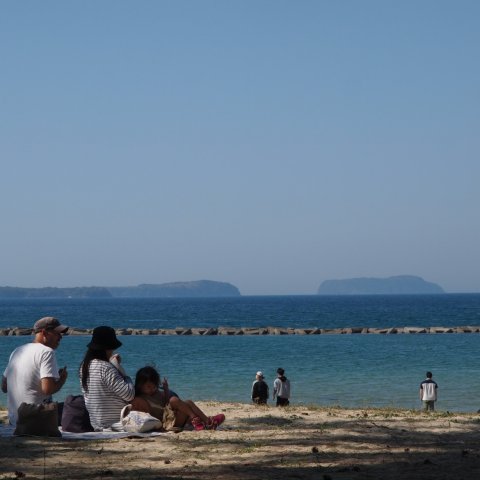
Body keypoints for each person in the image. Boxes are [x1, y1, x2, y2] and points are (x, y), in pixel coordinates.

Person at [1, 316, 69, 426]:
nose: (61, 337)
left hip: (14, 421)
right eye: (57, 333)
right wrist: (62, 380)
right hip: (36, 420)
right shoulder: (47, 352)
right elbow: (47, 389)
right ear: (44, 333)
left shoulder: (17, 351)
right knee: (77, 406)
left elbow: (4, 387)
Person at [132, 366, 225, 431]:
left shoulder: (157, 393)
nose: (152, 389)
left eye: (154, 386)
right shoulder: (140, 399)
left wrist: (166, 390)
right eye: (148, 387)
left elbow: (165, 404)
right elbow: (145, 417)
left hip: (170, 417)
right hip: (166, 424)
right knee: (174, 400)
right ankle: (196, 419)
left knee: (188, 402)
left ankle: (208, 422)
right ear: (140, 385)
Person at [80, 326, 135, 430]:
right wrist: (121, 371)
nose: (112, 351)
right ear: (107, 348)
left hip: (96, 424)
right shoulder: (106, 368)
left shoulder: (84, 366)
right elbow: (129, 395)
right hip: (116, 423)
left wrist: (112, 364)